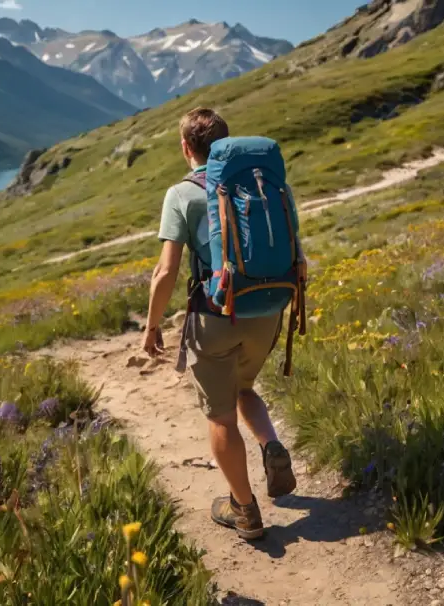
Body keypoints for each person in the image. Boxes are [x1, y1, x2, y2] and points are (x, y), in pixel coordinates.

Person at [142, 107, 299, 540]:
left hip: (215, 317)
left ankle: (244, 510)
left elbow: (166, 272)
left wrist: (152, 326)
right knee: (244, 387)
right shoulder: (267, 184)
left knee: (221, 416)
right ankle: (272, 445)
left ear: (185, 148)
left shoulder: (182, 194)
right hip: (266, 311)